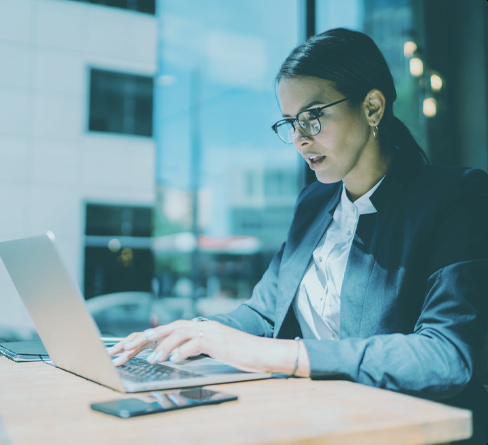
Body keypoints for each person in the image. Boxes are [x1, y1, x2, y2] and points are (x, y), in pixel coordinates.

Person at [110, 28, 488, 444]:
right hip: (315, 420)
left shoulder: (457, 197)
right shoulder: (313, 203)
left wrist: (278, 355)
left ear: (373, 108)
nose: (299, 139)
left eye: (312, 117)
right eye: (290, 122)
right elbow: (264, 313)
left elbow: (446, 356)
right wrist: (189, 332)